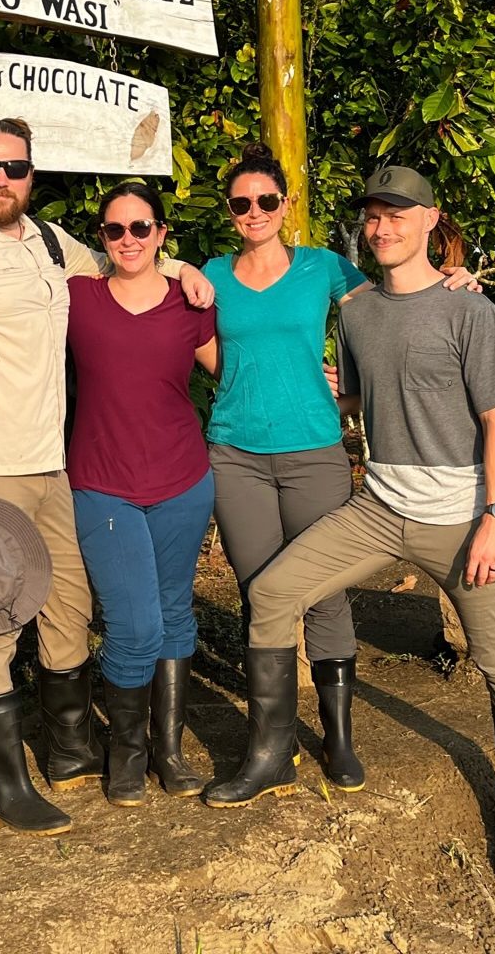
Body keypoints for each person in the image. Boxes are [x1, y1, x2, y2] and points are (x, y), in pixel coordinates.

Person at [205, 164, 495, 884]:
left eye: (399, 215)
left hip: (461, 520)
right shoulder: (357, 312)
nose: (383, 228)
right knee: (271, 594)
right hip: (380, 509)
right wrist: (324, 394)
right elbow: (363, 397)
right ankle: (272, 755)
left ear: (431, 220)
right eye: (374, 216)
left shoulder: (470, 311)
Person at [0, 118, 214, 835]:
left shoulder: (49, 242)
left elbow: (123, 261)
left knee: (66, 608)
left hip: (54, 464)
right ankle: (5, 785)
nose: (1, 179)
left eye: (13, 167)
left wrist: (182, 268)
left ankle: (69, 752)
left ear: (31, 174)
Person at [198, 140, 373, 796]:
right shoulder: (211, 275)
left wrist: (351, 393)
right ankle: (272, 751)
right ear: (229, 210)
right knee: (260, 594)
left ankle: (338, 738)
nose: (254, 212)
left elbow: (387, 318)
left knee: (324, 590)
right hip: (235, 455)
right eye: (241, 203)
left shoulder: (324, 267)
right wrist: (244, 379)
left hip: (314, 452)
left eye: (266, 200)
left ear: (286, 203)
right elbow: (195, 339)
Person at [65, 181, 218, 806]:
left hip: (183, 480)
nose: (128, 239)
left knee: (175, 613)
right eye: (114, 229)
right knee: (133, 623)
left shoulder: (191, 303)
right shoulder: (77, 298)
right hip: (103, 485)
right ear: (102, 238)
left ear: (160, 233)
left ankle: (168, 749)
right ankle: (125, 752)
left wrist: (327, 382)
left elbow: (237, 371)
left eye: (140, 227)